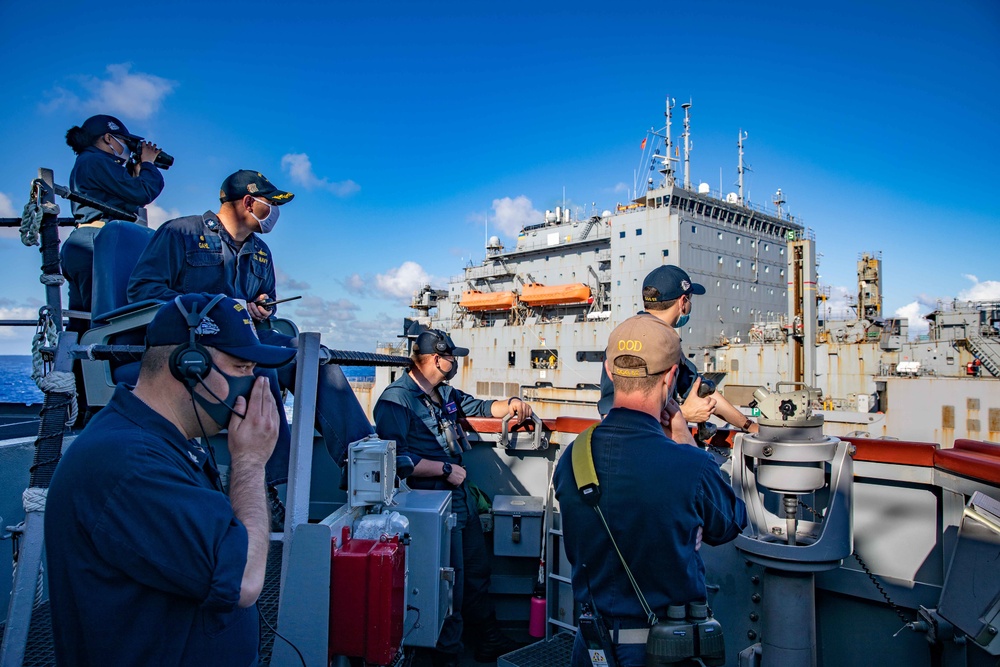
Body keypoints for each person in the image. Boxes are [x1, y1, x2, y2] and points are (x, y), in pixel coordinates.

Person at [45, 293, 296, 666]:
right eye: (241, 367)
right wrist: (250, 461)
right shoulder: (131, 464)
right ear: (188, 366)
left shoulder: (163, 442)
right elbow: (243, 580)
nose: (253, 383)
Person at [126, 169, 373, 492]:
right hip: (193, 342)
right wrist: (215, 307)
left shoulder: (261, 252)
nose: (275, 212)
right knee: (260, 368)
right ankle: (272, 487)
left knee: (314, 358)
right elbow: (143, 291)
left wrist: (262, 307)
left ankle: (363, 460)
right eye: (270, 203)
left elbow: (265, 306)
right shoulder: (181, 232)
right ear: (247, 202)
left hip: (248, 336)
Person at [555, 315, 748, 667]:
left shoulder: (573, 457)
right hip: (662, 650)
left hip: (592, 646)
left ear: (609, 372)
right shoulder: (690, 465)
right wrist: (686, 441)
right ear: (671, 376)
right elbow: (731, 523)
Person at [374, 329, 528, 666]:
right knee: (449, 582)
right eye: (450, 357)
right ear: (435, 359)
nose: (454, 363)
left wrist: (511, 404)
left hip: (459, 498)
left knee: (476, 571)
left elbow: (480, 406)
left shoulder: (443, 393)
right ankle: (448, 654)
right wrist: (444, 470)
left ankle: (486, 638)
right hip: (432, 502)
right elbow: (395, 459)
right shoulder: (396, 400)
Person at [598, 264, 759, 437]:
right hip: (643, 446)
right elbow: (615, 420)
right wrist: (683, 414)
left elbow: (699, 387)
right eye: (689, 299)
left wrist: (749, 425)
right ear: (683, 302)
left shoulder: (646, 340)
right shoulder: (649, 341)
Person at [62, 114, 165, 332]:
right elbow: (142, 192)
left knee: (83, 320)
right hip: (99, 243)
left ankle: (74, 355)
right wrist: (148, 164)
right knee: (107, 317)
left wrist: (135, 174)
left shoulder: (87, 162)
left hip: (84, 241)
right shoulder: (97, 161)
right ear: (109, 138)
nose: (127, 148)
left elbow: (125, 198)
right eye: (125, 142)